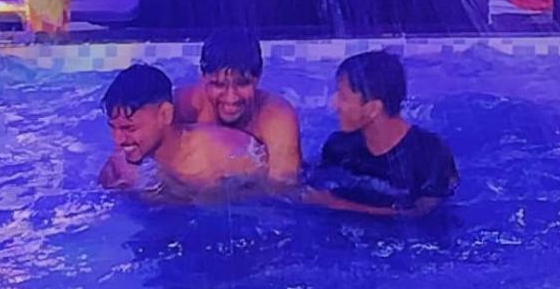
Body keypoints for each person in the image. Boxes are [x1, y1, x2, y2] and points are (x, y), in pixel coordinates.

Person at [305, 50, 458, 216]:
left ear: (373, 109)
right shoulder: (338, 146)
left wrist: (338, 205)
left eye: (343, 97)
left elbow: (422, 215)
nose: (333, 104)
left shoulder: (431, 152)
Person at [98, 62, 266, 195]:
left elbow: (268, 198)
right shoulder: (121, 164)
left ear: (165, 114)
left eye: (129, 129)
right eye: (114, 128)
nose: (118, 140)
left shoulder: (222, 155)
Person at [173, 30, 302, 182]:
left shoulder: (277, 118)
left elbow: (284, 186)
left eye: (242, 84)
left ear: (258, 77)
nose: (231, 98)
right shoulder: (182, 108)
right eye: (219, 85)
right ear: (203, 77)